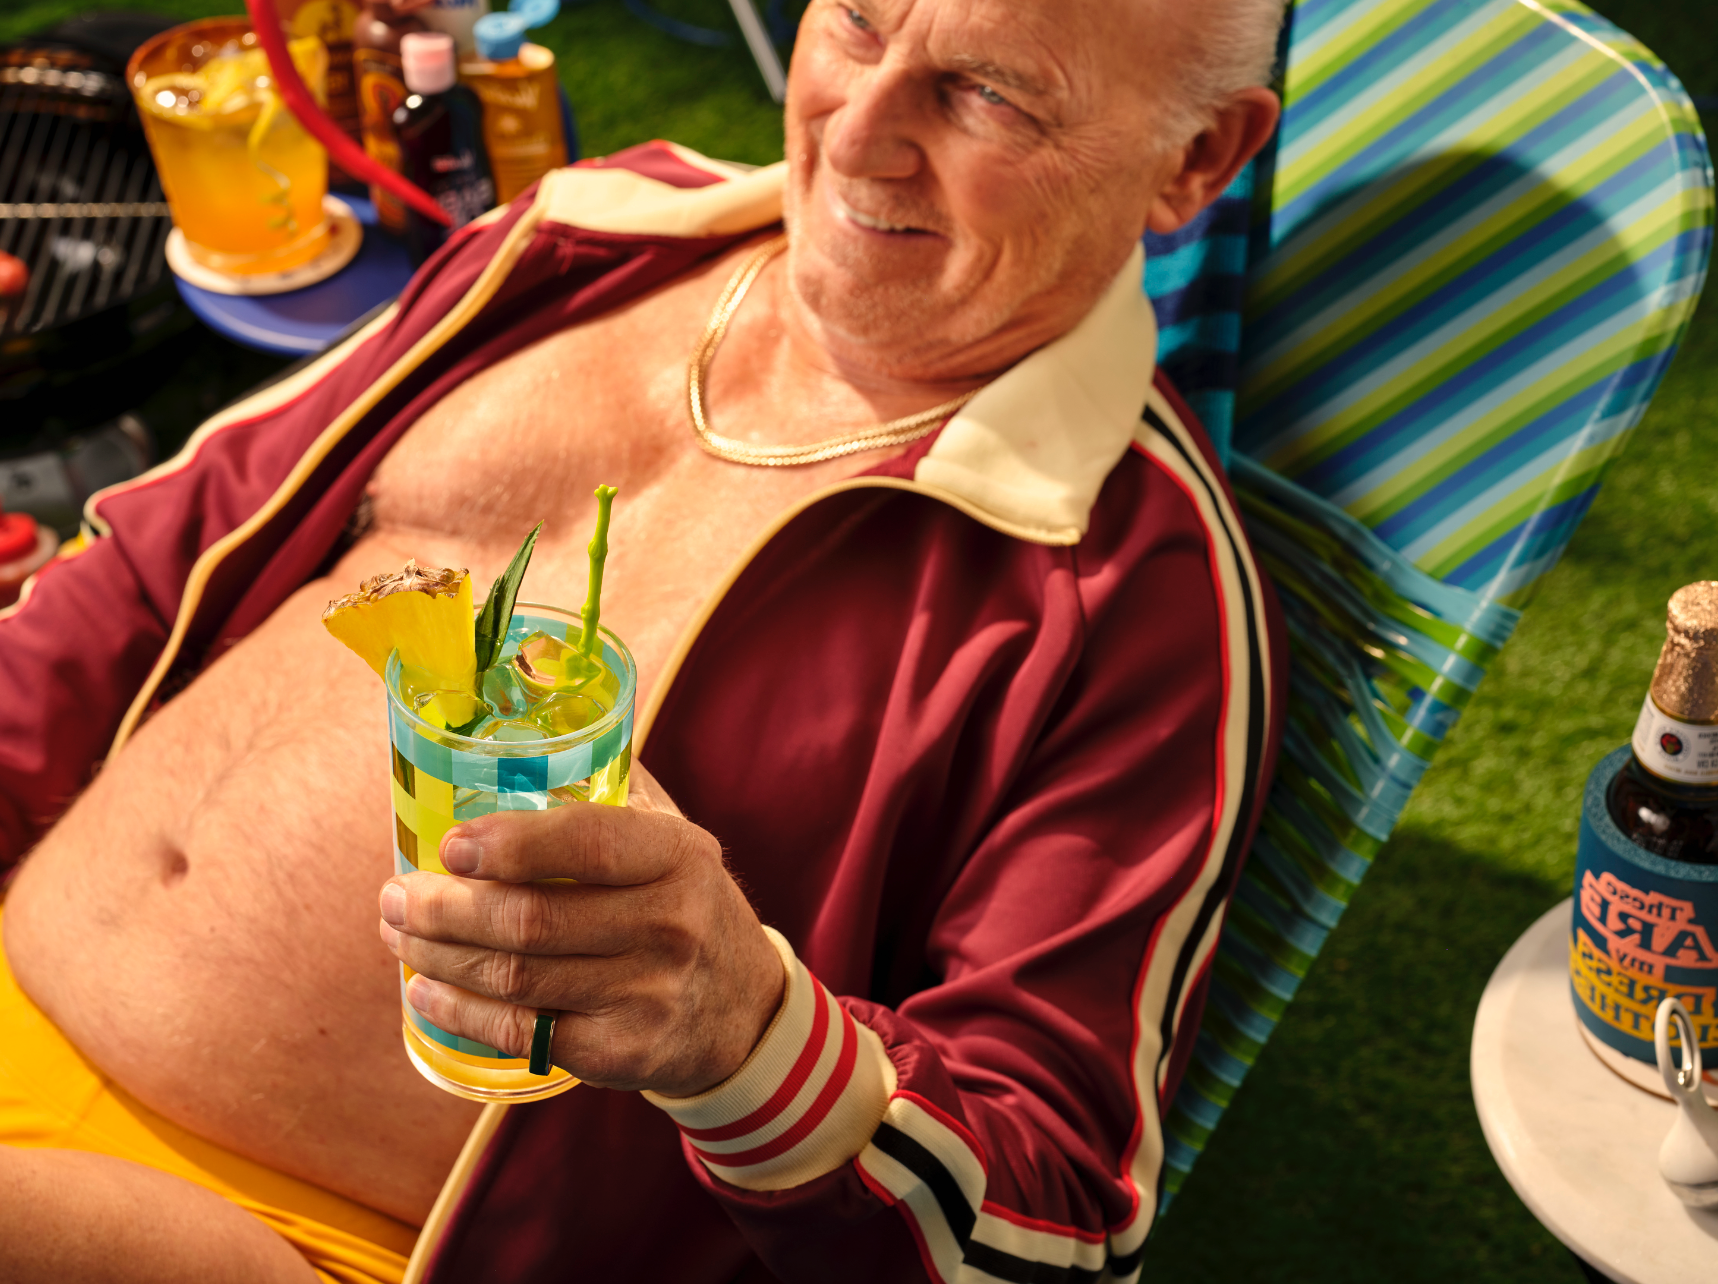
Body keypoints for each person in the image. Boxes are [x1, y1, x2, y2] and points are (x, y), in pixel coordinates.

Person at [0, 0, 1286, 1280]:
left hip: (304, 1234)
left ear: (1196, 159)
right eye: (852, 22)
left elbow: (1052, 1221)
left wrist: (745, 1033)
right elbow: (154, 556)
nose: (855, 135)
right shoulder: (596, 231)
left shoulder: (1137, 601)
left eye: (988, 93)